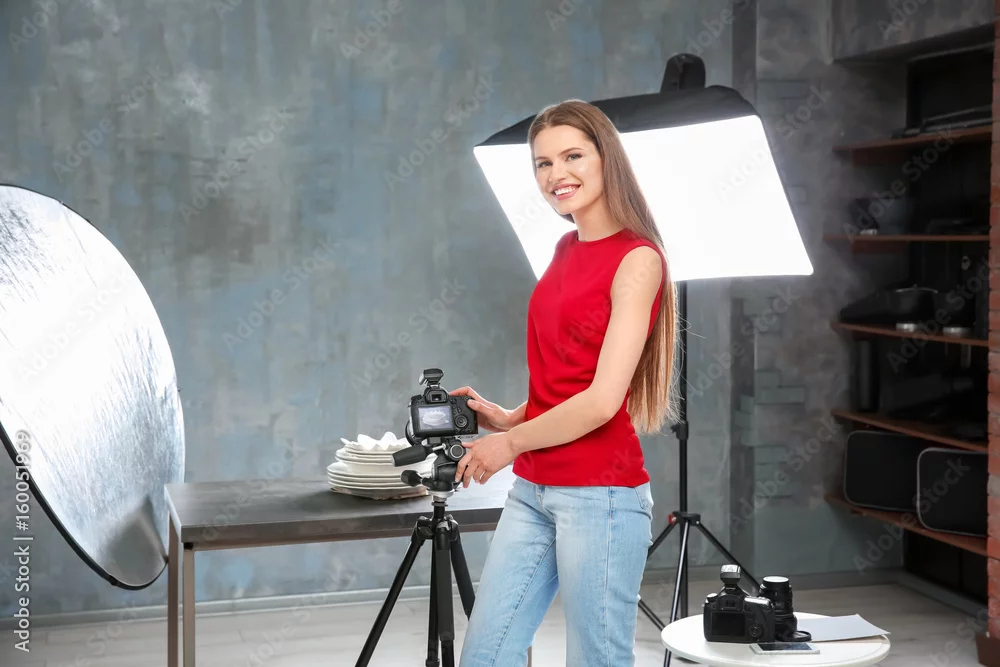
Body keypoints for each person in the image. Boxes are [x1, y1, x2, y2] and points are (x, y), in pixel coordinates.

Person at [452, 99, 678, 667]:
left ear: (606, 159)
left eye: (572, 156)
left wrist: (508, 444)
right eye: (543, 163)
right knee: (485, 657)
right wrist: (510, 417)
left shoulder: (638, 259)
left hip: (600, 497)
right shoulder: (563, 247)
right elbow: (569, 374)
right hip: (533, 488)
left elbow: (601, 401)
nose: (557, 174)